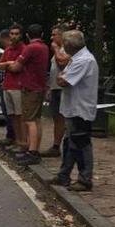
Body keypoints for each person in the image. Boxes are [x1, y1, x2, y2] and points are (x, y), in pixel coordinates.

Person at [50, 30, 99, 192]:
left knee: (81, 143)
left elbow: (64, 81)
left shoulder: (83, 60)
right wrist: (62, 76)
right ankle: (64, 174)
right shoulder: (77, 58)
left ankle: (85, 179)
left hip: (80, 108)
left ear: (70, 45)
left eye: (65, 44)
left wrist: (62, 76)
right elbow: (62, 76)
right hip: (72, 107)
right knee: (70, 143)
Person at [6, 24, 50, 166]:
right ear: (42, 34)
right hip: (40, 86)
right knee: (36, 120)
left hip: (30, 87)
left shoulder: (31, 48)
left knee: (29, 120)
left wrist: (7, 65)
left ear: (27, 36)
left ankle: (32, 152)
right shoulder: (44, 47)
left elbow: (16, 66)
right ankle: (35, 148)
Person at [0, 24, 28, 152]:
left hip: (18, 86)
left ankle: (24, 143)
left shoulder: (24, 49)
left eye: (16, 34)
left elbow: (17, 67)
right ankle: (17, 140)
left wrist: (7, 65)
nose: (14, 36)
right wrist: (8, 64)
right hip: (7, 85)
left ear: (21, 35)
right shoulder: (8, 50)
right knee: (12, 116)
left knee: (20, 116)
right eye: (12, 33)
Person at [42, 23, 71, 158]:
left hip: (63, 89)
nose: (52, 37)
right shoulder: (58, 49)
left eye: (54, 35)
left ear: (62, 35)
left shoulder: (68, 49)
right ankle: (56, 145)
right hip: (55, 88)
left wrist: (55, 48)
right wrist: (49, 87)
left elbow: (62, 63)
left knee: (63, 118)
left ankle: (66, 144)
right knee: (57, 118)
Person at [0, 29, 16, 144]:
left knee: (11, 113)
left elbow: (10, 66)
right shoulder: (7, 50)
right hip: (4, 85)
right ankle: (11, 135)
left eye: (1, 41)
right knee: (7, 112)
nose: (1, 44)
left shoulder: (12, 51)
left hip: (9, 85)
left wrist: (0, 66)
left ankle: (13, 136)